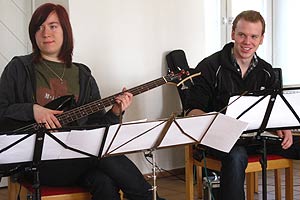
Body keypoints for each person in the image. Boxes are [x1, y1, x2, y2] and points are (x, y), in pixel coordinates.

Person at [0, 3, 165, 200]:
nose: (45, 33)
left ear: (65, 31)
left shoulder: (83, 75)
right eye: (39, 27)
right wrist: (32, 110)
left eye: (53, 26)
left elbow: (97, 131)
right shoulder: (19, 67)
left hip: (79, 159)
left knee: (104, 181)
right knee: (101, 154)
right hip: (37, 162)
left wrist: (115, 113)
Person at [186, 10, 300, 200]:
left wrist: (284, 127)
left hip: (256, 138)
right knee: (236, 156)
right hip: (219, 140)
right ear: (233, 34)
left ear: (262, 38)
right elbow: (191, 111)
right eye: (242, 35)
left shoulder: (267, 71)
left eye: (254, 36)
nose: (248, 42)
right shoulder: (209, 67)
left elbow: (275, 112)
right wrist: (216, 123)